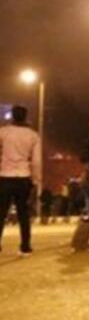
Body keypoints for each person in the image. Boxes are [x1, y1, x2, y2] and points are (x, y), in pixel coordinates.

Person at [0, 105, 41, 256]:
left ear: (12, 116)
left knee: (1, 212)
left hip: (4, 177)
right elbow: (36, 161)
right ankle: (25, 246)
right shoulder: (33, 135)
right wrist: (36, 180)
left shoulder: (3, 132)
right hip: (23, 178)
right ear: (25, 116)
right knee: (23, 214)